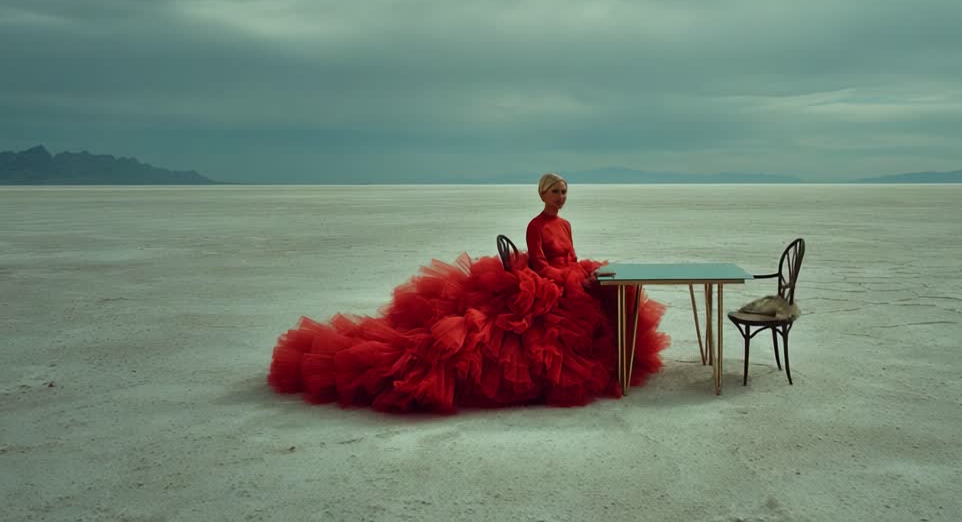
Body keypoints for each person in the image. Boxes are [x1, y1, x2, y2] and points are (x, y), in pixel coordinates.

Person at [267, 173, 670, 413]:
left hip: (566, 274)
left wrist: (579, 272)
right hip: (545, 279)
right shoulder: (535, 224)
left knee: (609, 288)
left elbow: (572, 254)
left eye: (564, 193)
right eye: (555, 193)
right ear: (542, 194)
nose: (560, 199)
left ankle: (619, 359)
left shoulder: (564, 224)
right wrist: (567, 279)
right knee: (572, 307)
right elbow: (538, 262)